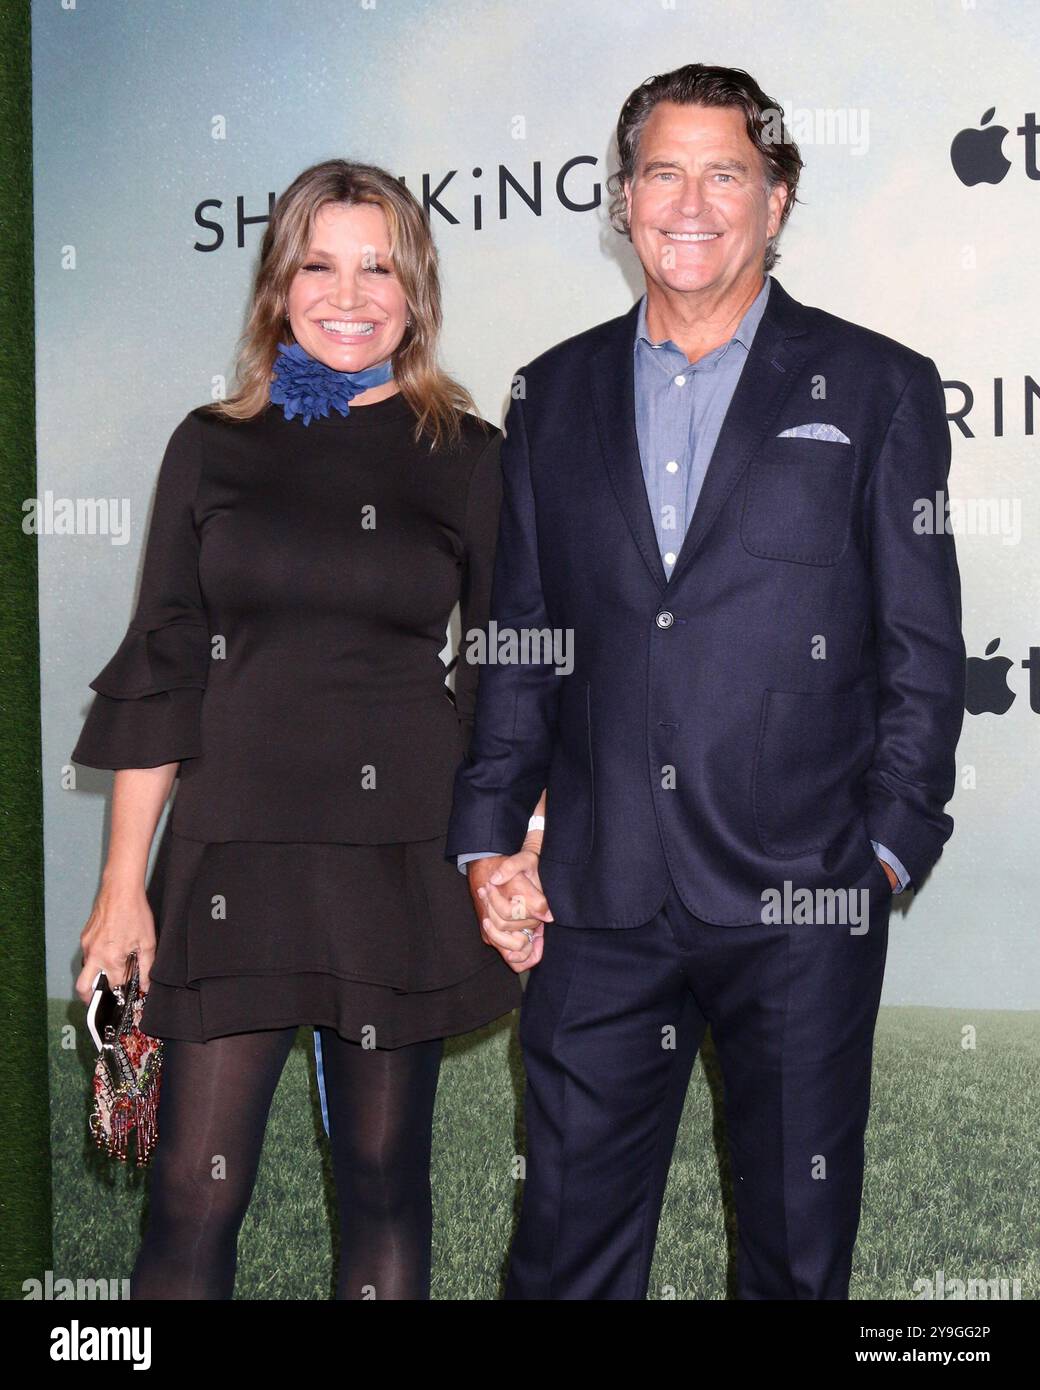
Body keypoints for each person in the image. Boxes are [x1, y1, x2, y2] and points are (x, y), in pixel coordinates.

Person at [447, 63, 966, 1299]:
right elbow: (521, 639)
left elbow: (921, 650)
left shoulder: (879, 385)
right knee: (565, 1255)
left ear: (776, 198)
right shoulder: (549, 390)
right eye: (660, 172)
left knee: (791, 1257)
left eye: (725, 171)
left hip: (802, 901)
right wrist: (487, 842)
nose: (691, 202)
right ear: (621, 200)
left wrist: (884, 850)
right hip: (598, 902)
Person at [72, 159, 526, 1300]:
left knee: (381, 1180)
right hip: (233, 853)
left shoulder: (468, 455)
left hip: (397, 855)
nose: (350, 292)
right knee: (191, 1194)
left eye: (380, 265)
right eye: (318, 263)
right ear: (278, 285)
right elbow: (163, 664)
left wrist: (500, 847)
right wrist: (124, 885)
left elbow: (509, 673)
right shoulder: (209, 444)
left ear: (415, 290)